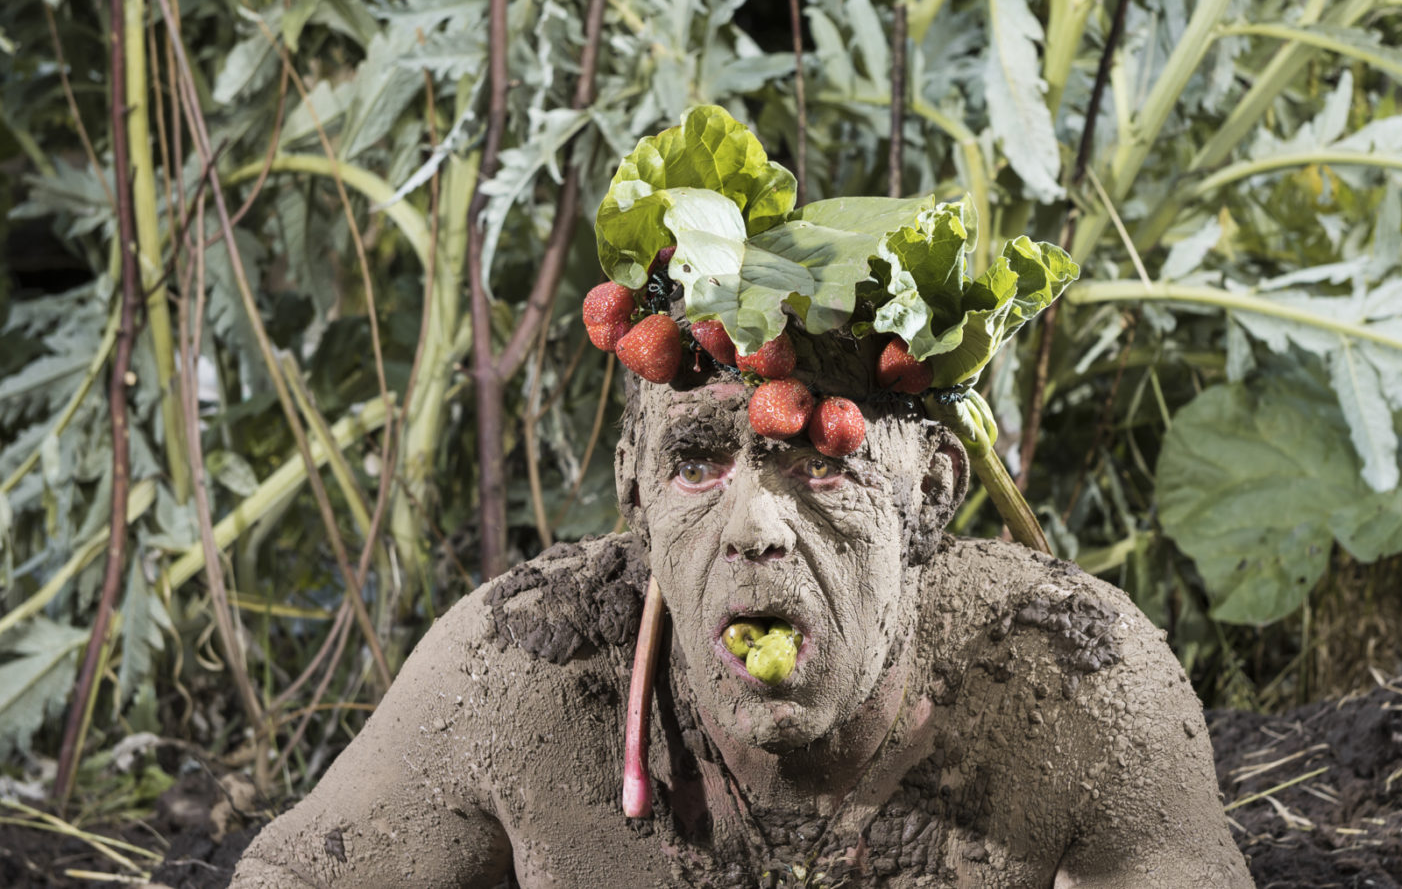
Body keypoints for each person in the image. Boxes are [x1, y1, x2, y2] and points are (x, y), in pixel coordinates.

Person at [229, 347, 1254, 887]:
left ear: (930, 492)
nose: (754, 523)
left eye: (822, 461)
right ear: (632, 485)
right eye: (698, 461)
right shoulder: (524, 670)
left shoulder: (1066, 676)